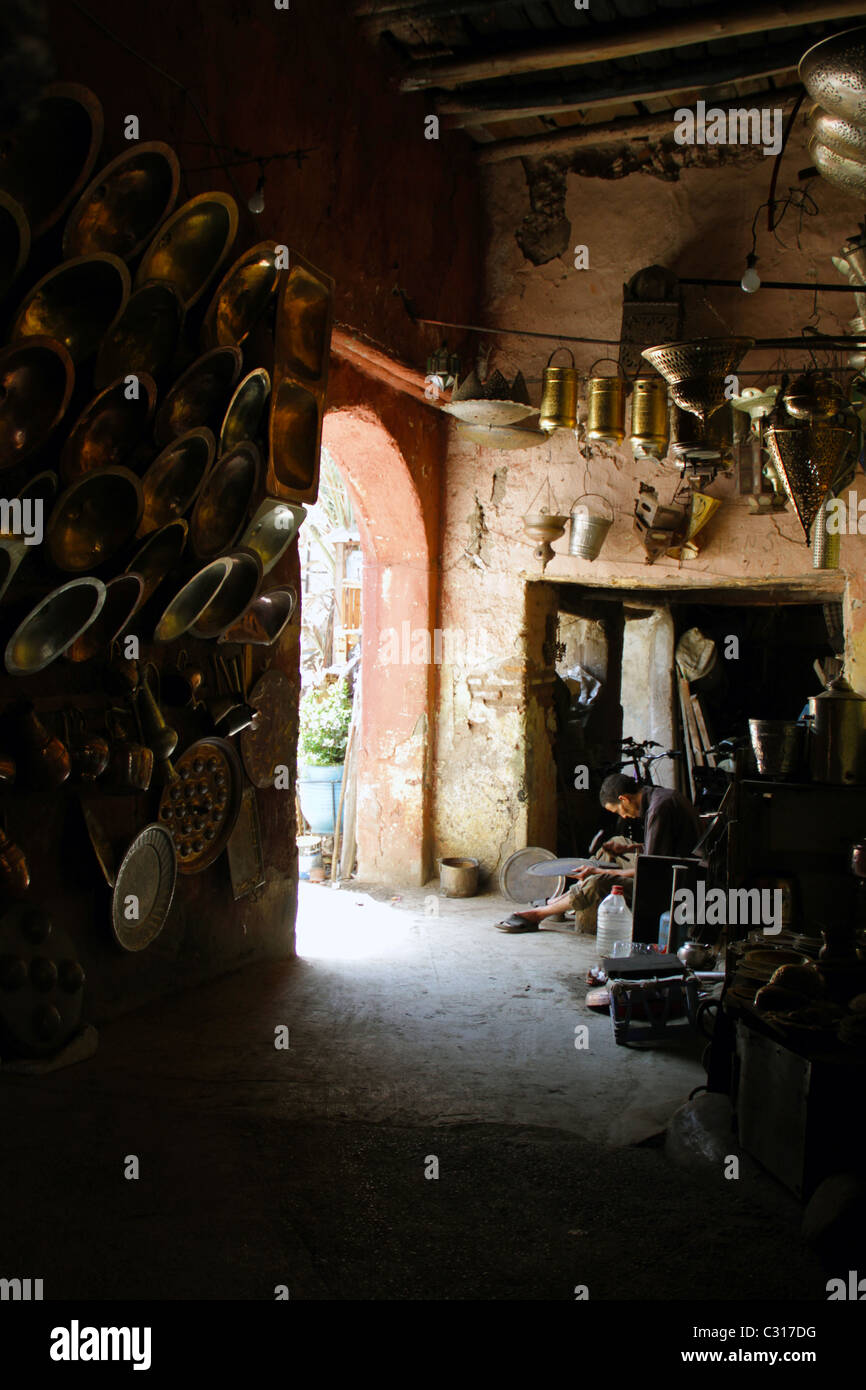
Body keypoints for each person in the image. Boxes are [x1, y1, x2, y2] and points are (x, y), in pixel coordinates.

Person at [495, 773, 701, 933]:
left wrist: (604, 874)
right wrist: (628, 849)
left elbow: (652, 870)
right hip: (673, 864)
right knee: (616, 842)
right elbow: (665, 847)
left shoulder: (658, 810)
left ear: (624, 799)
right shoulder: (658, 796)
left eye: (619, 810)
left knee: (599, 881)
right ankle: (565, 898)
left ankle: (539, 914)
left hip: (676, 882)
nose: (624, 816)